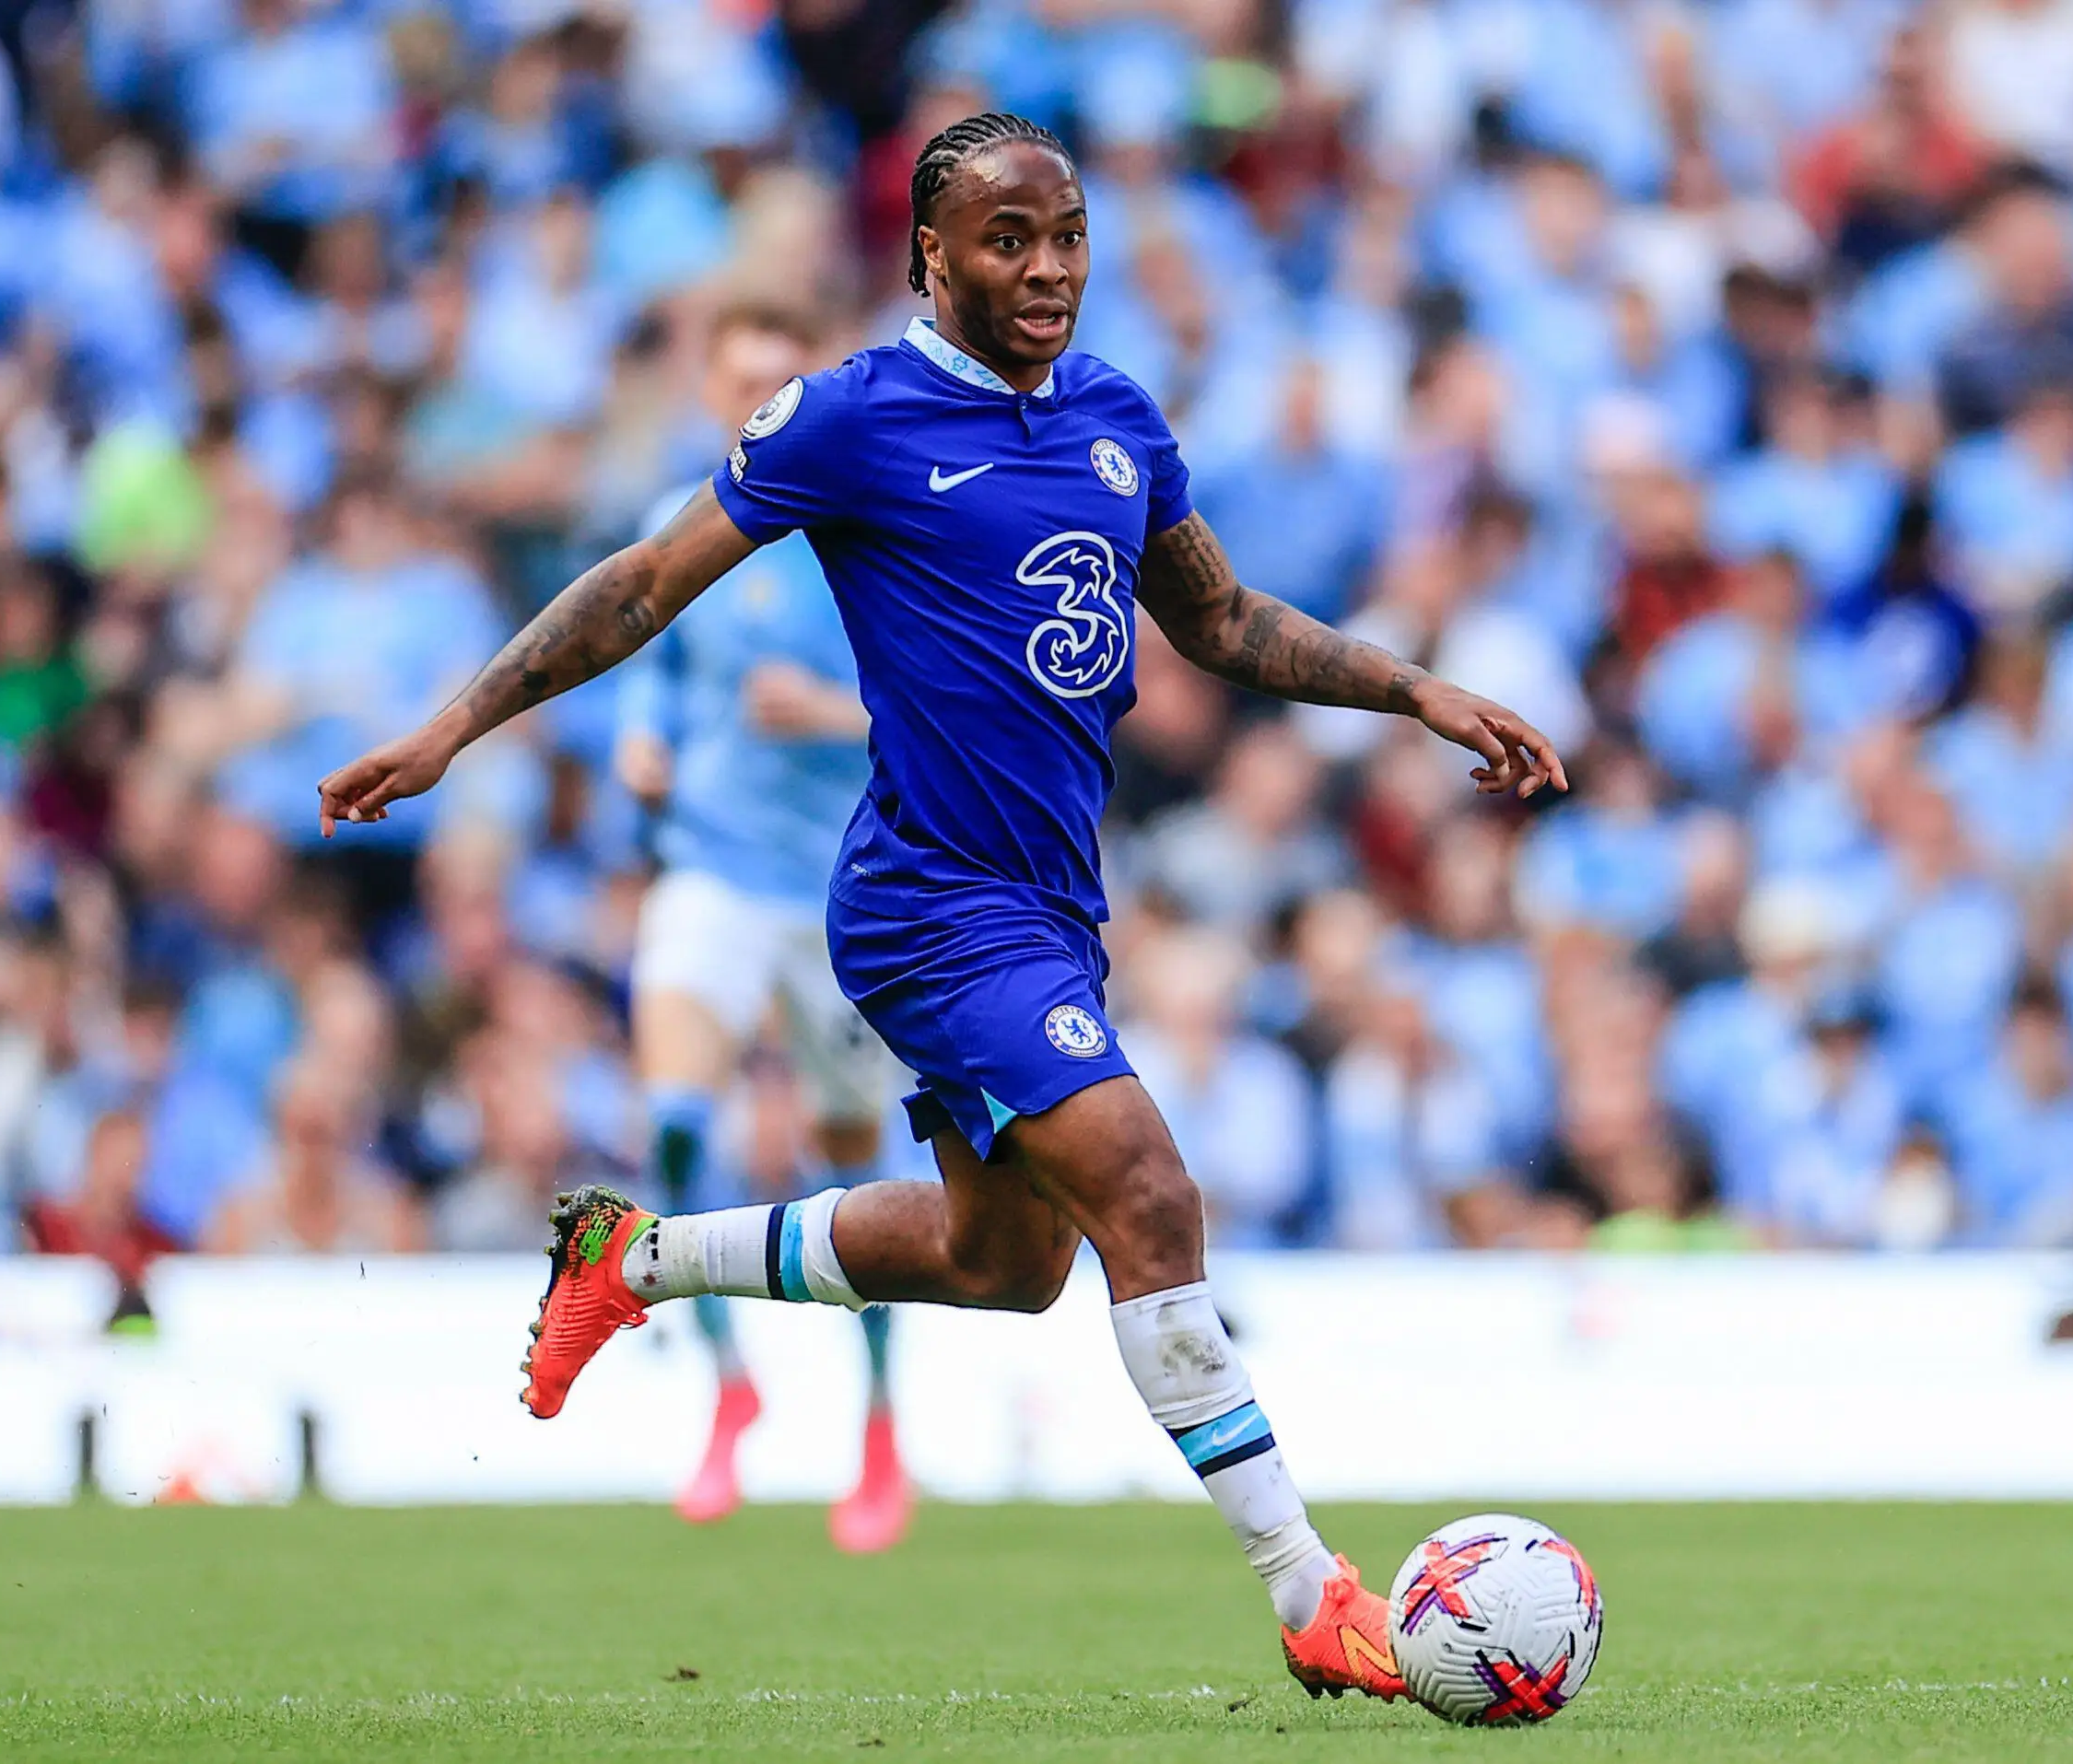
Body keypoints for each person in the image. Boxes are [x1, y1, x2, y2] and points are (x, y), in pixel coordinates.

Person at [316, 112, 1565, 1701]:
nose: (1046, 270)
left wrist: (1420, 690)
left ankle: (632, 1257)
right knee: (1153, 1197)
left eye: (1068, 238)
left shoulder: (1116, 417)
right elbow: (640, 580)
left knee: (1007, 1264)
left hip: (1050, 907)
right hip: (926, 903)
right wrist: (449, 730)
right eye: (1008, 240)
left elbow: (1227, 618)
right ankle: (1309, 1586)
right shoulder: (851, 418)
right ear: (931, 252)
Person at [608, 300, 913, 1551]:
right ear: (710, 390)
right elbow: (651, 665)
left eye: (783, 383)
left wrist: (830, 714)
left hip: (845, 887)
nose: (761, 404)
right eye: (743, 382)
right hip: (717, 867)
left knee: (859, 1172)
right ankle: (726, 1384)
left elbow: (935, 710)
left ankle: (878, 1424)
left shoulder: (875, 534)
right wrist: (642, 744)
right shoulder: (679, 524)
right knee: (676, 1116)